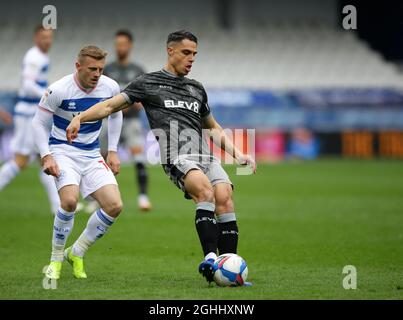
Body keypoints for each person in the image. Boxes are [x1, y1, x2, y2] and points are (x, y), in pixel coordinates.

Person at [66, 30, 256, 284]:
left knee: (225, 198)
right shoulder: (148, 83)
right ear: (171, 51)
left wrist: (238, 153)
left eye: (194, 55)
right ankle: (210, 258)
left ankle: (229, 267)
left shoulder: (196, 88)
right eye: (186, 53)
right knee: (205, 192)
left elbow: (212, 126)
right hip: (176, 154)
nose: (191, 59)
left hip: (205, 155)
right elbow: (110, 105)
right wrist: (80, 117)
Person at [32, 45, 124, 280]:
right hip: (63, 151)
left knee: (114, 205)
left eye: (101, 69)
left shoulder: (110, 86)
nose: (97, 74)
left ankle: (77, 252)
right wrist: (46, 155)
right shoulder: (59, 90)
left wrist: (112, 151)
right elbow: (39, 123)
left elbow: (116, 114)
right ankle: (55, 259)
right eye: (92, 69)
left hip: (92, 154)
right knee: (70, 201)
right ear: (78, 66)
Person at [0, 26, 60, 214]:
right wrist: (47, 94)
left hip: (33, 114)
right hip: (27, 114)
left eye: (49, 37)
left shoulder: (41, 56)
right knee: (21, 160)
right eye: (43, 37)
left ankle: (58, 206)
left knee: (46, 158)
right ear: (36, 38)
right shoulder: (34, 57)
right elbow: (27, 84)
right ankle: (58, 206)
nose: (47, 41)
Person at [104, 30, 152, 211]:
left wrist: (127, 105)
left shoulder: (138, 71)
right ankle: (96, 200)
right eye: (117, 44)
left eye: (123, 44)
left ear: (130, 46)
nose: (119, 47)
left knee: (139, 158)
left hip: (131, 121)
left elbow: (144, 98)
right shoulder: (108, 70)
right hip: (108, 122)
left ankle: (143, 197)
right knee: (100, 159)